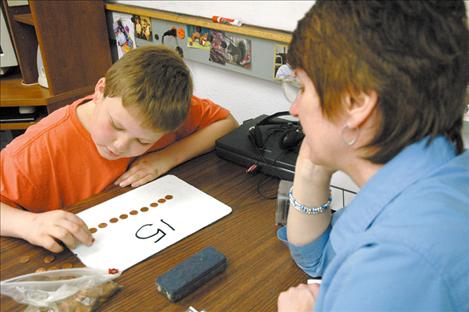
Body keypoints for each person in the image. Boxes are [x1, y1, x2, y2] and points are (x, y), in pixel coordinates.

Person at [276, 1, 469, 311]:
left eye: (302, 86)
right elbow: (320, 261)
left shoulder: (400, 262)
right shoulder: (437, 172)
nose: (294, 109)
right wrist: (312, 168)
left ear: (355, 103)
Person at [1, 45, 238, 254]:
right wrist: (29, 224)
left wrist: (166, 157)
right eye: (115, 125)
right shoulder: (34, 151)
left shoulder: (165, 114)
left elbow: (227, 123)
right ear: (100, 90)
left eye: (144, 141)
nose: (120, 146)